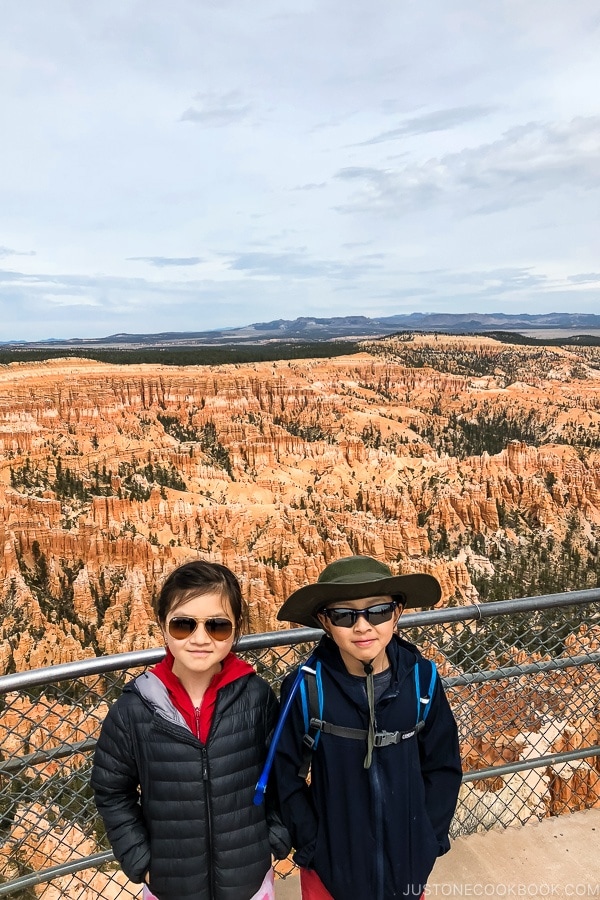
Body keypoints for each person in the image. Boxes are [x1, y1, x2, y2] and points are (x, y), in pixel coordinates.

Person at [91, 559, 287, 900]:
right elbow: (111, 790)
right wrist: (141, 861)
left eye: (217, 626)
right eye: (183, 624)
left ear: (236, 629)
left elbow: (284, 773)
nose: (200, 638)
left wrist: (274, 842)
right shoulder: (134, 710)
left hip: (251, 883)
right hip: (171, 887)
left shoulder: (256, 698)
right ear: (162, 626)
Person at [271, 555, 462, 900]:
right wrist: (313, 845)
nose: (362, 627)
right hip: (330, 872)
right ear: (324, 621)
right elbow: (285, 776)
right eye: (344, 615)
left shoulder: (423, 681)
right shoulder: (305, 689)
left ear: (397, 612)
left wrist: (427, 841)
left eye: (377, 611)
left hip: (408, 866)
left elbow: (443, 766)